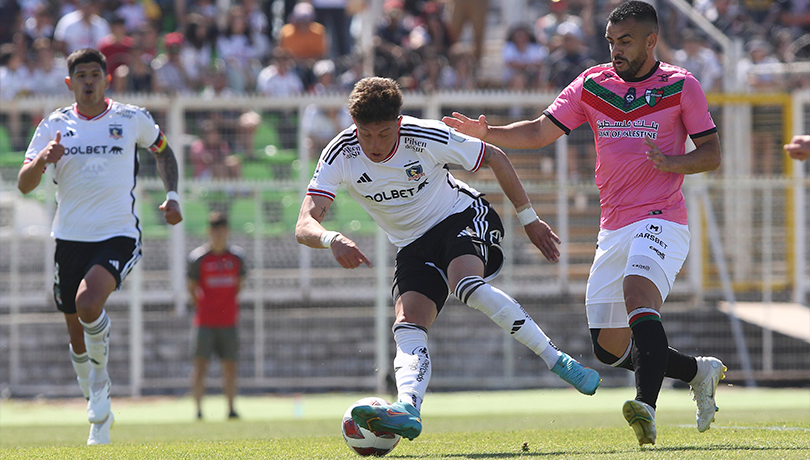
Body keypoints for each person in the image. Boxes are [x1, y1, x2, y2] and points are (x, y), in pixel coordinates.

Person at [443, 1, 725, 446]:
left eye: (625, 41)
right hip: (613, 227)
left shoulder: (680, 85)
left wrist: (671, 162)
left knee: (637, 293)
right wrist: (487, 133)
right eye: (611, 41)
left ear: (652, 41)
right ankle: (697, 372)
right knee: (608, 349)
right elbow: (539, 132)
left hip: (662, 218)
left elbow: (711, 154)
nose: (615, 49)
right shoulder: (594, 83)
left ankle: (645, 407)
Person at [295, 77, 601, 441]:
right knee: (407, 323)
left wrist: (529, 220)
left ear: (399, 122)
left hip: (462, 216)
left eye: (383, 134)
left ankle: (557, 360)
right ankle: (408, 407)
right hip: (412, 244)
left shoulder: (424, 137)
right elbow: (304, 223)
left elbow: (495, 157)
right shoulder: (341, 152)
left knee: (466, 286)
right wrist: (332, 238)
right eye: (366, 134)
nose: (374, 145)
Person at [17, 48, 183, 446]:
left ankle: (102, 385)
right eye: (81, 75)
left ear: (107, 79)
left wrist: (173, 195)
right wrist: (43, 159)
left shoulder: (130, 118)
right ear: (69, 82)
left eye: (95, 73)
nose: (88, 81)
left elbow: (163, 151)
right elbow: (24, 184)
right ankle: (97, 406)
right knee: (76, 333)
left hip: (117, 233)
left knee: (89, 303)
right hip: (69, 237)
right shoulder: (53, 125)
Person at [188, 211, 247, 421]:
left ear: (227, 231)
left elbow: (239, 286)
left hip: (229, 321)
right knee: (200, 366)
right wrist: (205, 307)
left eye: (222, 231)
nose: (218, 235)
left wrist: (224, 306)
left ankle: (231, 409)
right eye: (214, 231)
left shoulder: (236, 258)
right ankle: (198, 410)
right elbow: (192, 288)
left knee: (230, 366)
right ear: (209, 232)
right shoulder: (198, 259)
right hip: (204, 322)